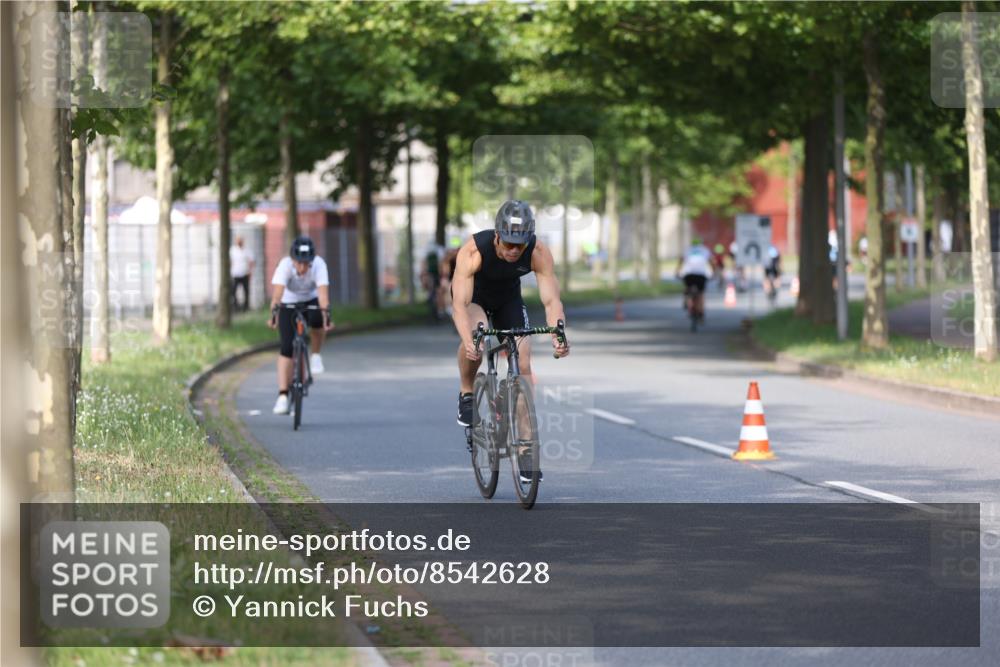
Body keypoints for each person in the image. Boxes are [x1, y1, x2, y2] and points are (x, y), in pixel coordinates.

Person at [451, 200, 570, 480]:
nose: (514, 250)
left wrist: (558, 334)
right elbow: (459, 305)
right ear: (497, 236)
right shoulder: (473, 251)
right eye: (508, 244)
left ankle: (526, 451)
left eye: (520, 245)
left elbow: (552, 301)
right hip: (475, 299)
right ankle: (467, 391)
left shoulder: (538, 251)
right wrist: (468, 339)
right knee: (478, 337)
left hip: (509, 300)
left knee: (524, 362)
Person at [267, 236, 334, 415]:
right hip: (289, 301)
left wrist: (326, 316)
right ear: (292, 260)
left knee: (319, 317)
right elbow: (277, 296)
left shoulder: (319, 265)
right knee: (287, 347)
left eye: (307, 264)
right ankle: (282, 396)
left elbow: (323, 296)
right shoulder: (284, 266)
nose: (303, 268)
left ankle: (316, 355)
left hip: (311, 299)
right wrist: (274, 314)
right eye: (299, 263)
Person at [675, 237, 714, 323]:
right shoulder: (705, 250)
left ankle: (687, 299)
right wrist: (714, 272)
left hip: (689, 274)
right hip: (701, 274)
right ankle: (701, 312)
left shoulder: (687, 250)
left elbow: (681, 261)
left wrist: (677, 271)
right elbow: (711, 262)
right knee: (701, 294)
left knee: (688, 288)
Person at [230, 235, 255, 312]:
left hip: (245, 274)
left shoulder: (247, 250)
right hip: (235, 274)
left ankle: (245, 307)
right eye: (238, 240)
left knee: (246, 292)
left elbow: (251, 262)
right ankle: (236, 307)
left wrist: (250, 272)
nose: (239, 242)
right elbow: (230, 262)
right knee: (233, 292)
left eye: (240, 240)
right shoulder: (232, 250)